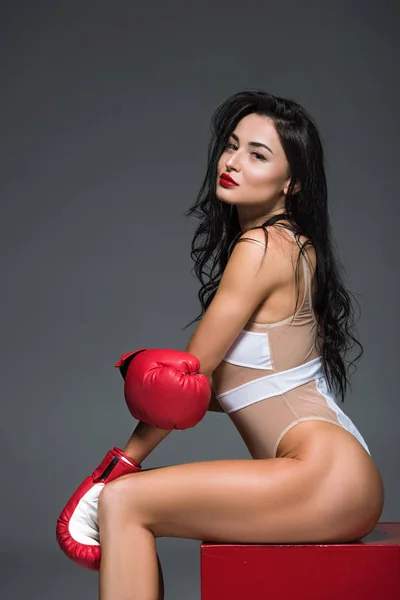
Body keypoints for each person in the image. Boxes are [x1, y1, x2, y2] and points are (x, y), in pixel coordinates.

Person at [56, 90, 384, 599]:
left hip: (323, 475)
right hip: (339, 477)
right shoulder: (293, 244)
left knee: (123, 502)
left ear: (292, 181)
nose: (232, 162)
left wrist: (114, 470)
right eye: (232, 146)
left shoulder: (260, 247)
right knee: (127, 501)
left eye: (258, 154)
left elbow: (186, 381)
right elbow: (214, 387)